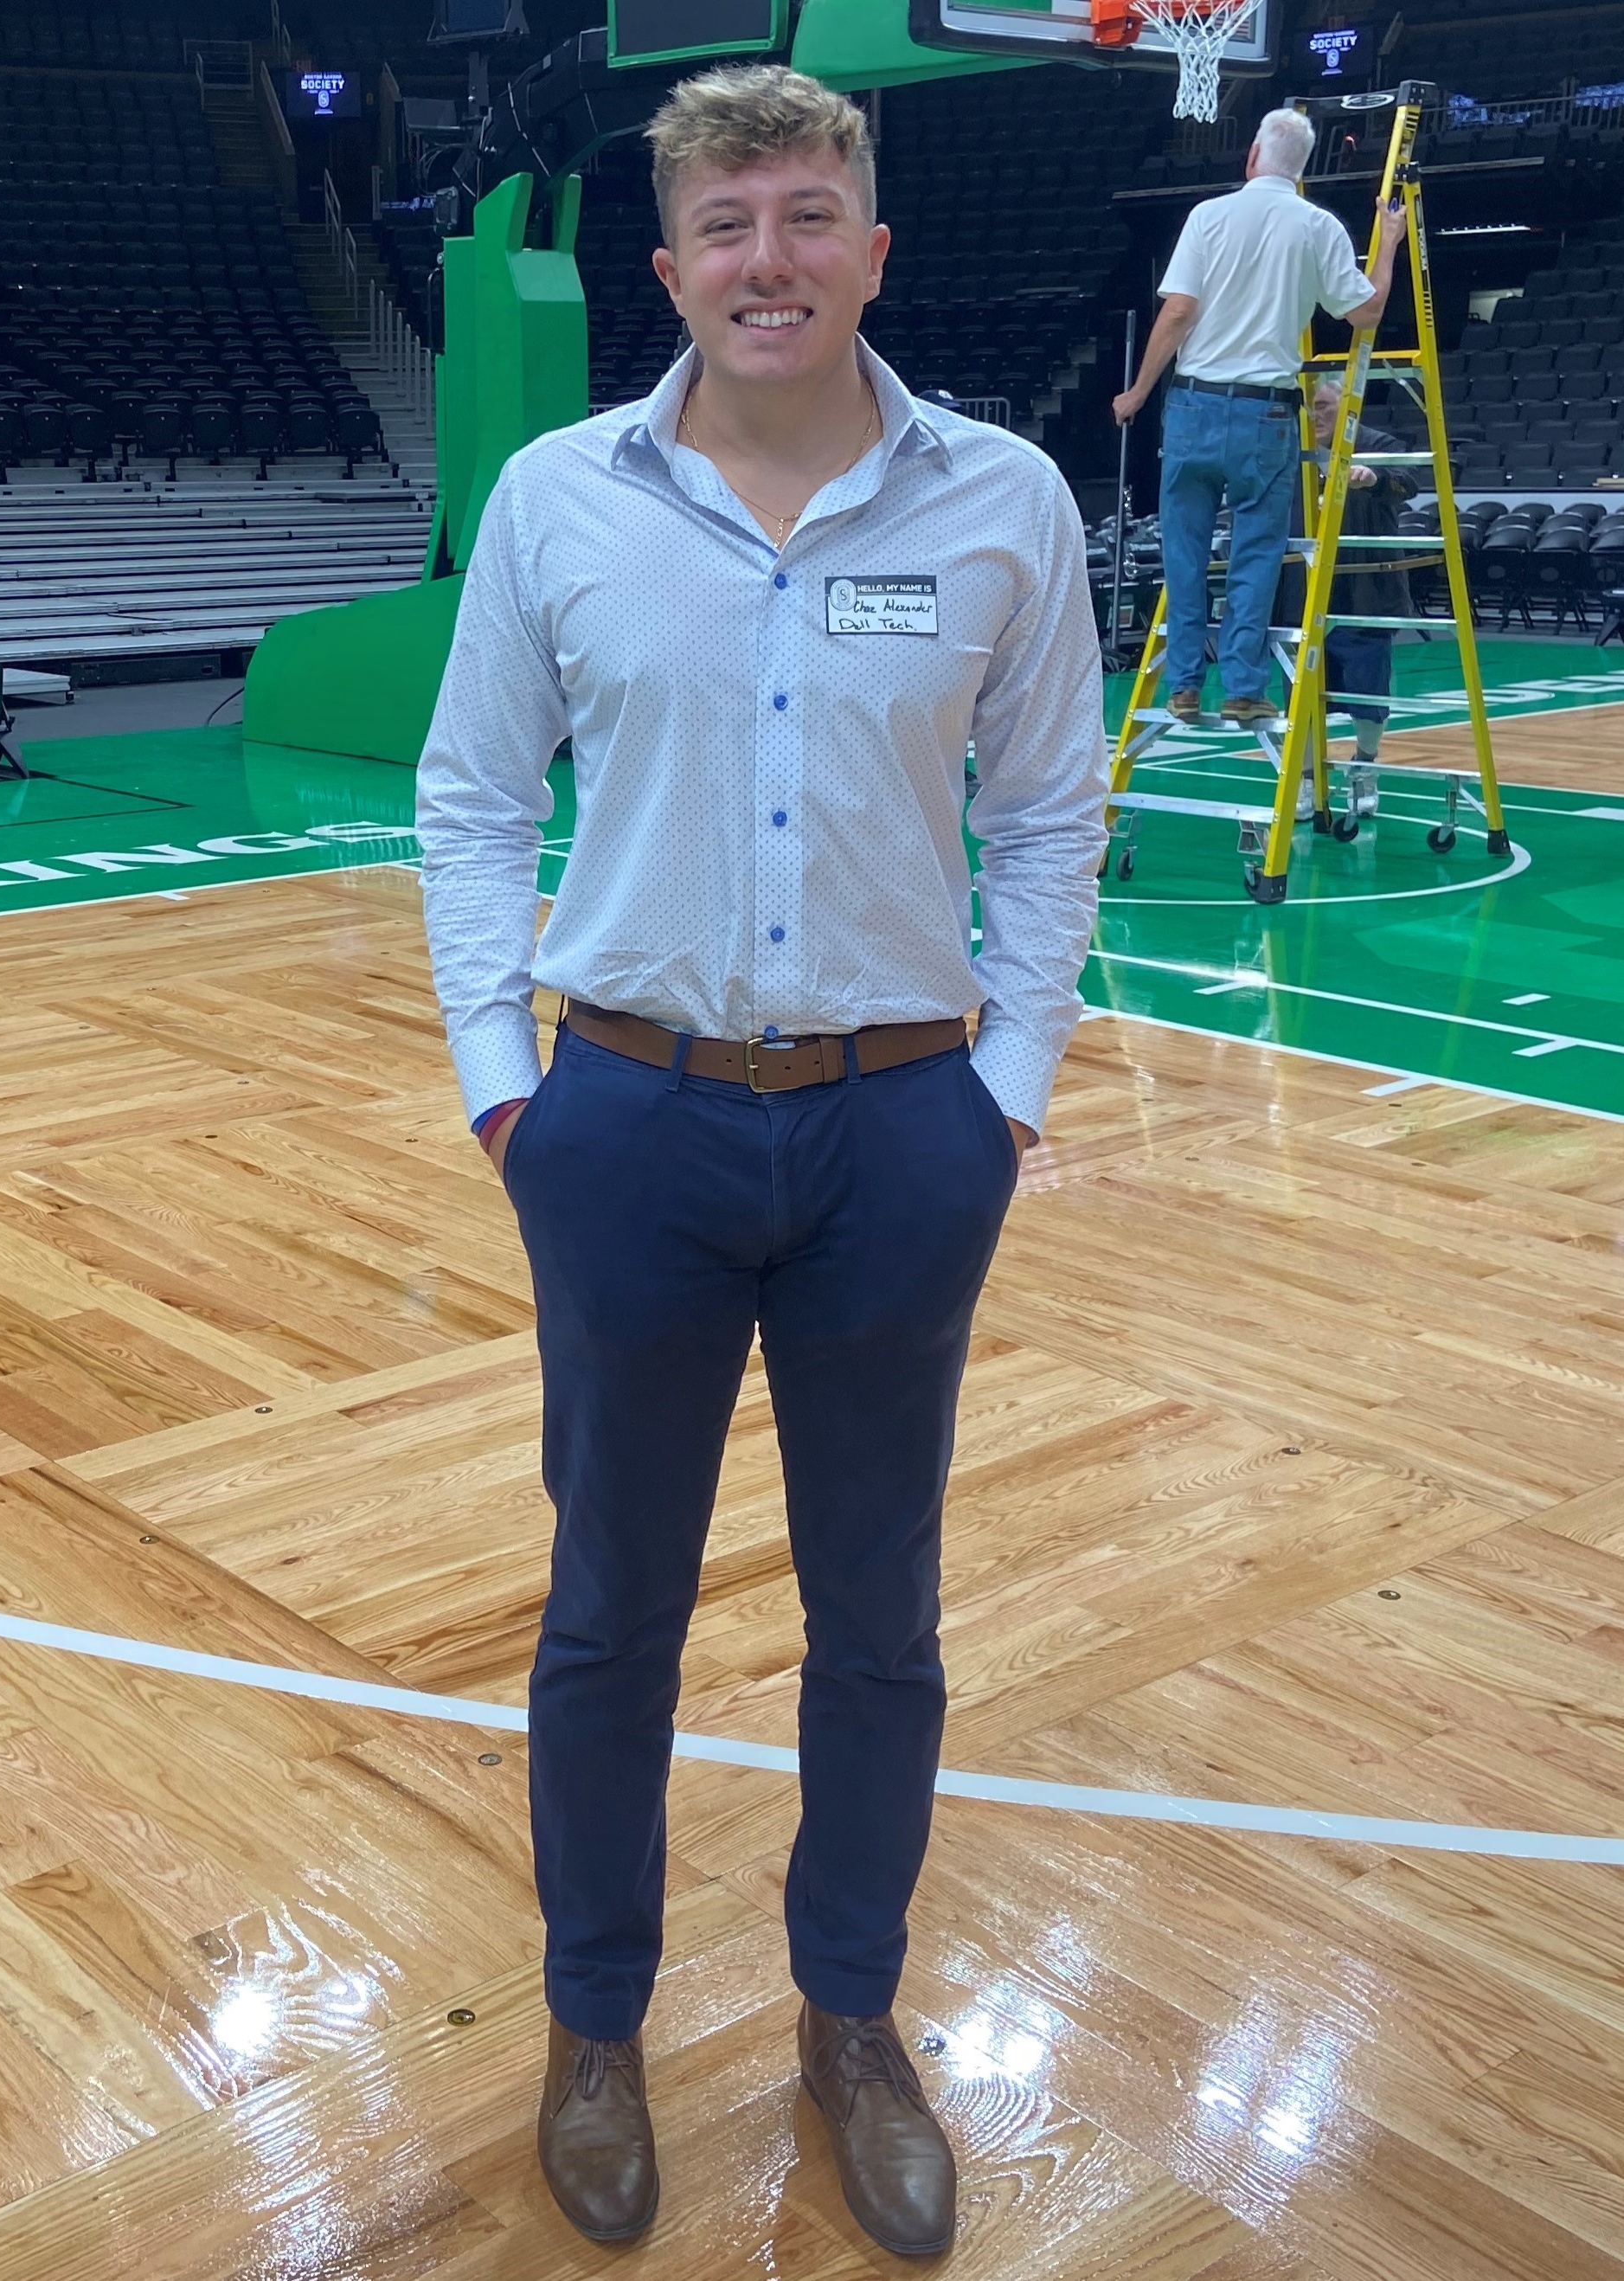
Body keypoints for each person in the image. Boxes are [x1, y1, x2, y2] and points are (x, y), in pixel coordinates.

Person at [415, 62, 1107, 2262]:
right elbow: (463, 793)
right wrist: (496, 1077)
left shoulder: (999, 500)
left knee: (878, 1620)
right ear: (670, 266)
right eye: (727, 229)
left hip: (906, 1127)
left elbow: (1052, 811)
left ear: (871, 245)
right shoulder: (555, 498)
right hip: (618, 1119)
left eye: (808, 216)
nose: (769, 262)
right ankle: (594, 2024)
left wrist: (1000, 1082)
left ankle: (849, 2015)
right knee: (609, 1610)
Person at [1113, 106, 1408, 729]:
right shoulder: (1318, 225)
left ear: (1251, 156)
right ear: (1301, 168)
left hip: (1193, 404)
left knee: (1186, 555)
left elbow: (1176, 313)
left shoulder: (1207, 217)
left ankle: (1184, 684)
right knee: (1254, 558)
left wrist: (1137, 391)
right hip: (1265, 413)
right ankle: (1244, 687)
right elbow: (1366, 313)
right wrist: (1386, 244)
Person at [1291, 375, 1418, 819]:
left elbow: (1408, 480)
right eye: (1308, 407)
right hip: (1304, 593)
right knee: (1302, 692)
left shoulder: (1379, 442)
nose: (1314, 415)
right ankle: (1305, 779)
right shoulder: (1292, 449)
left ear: (1348, 405)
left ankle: (1365, 764)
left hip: (1365, 592)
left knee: (1368, 688)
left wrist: (1375, 477)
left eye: (1323, 406)